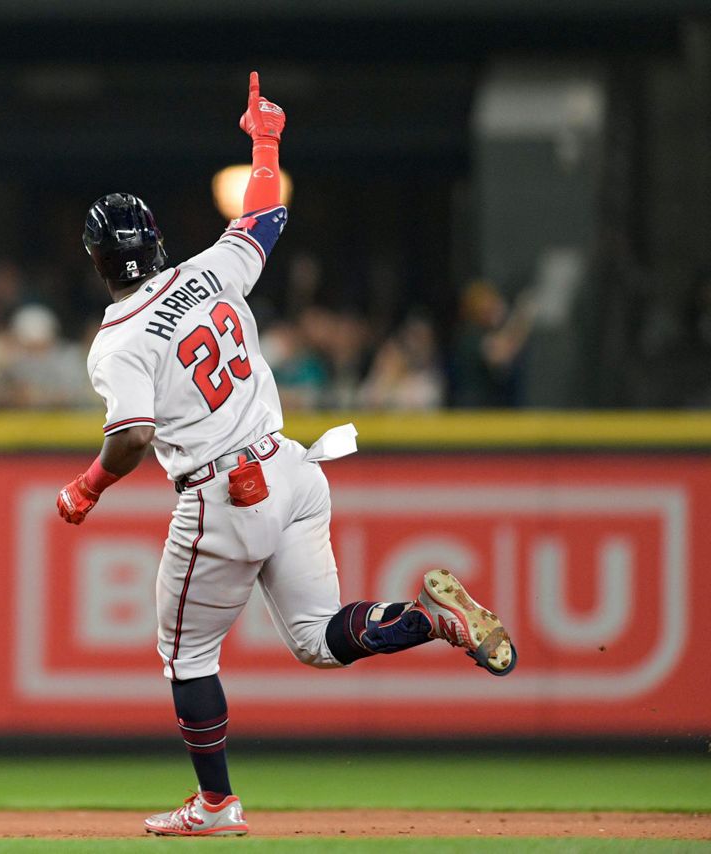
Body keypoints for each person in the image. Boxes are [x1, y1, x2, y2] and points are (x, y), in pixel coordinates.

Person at [56, 73, 517, 838]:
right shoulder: (208, 270)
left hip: (224, 491)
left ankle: (215, 804)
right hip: (295, 470)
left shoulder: (118, 340)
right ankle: (433, 625)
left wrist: (86, 486)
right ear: (158, 242)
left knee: (185, 654)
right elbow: (267, 212)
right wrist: (265, 137)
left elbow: (132, 437)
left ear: (99, 261)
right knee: (319, 641)